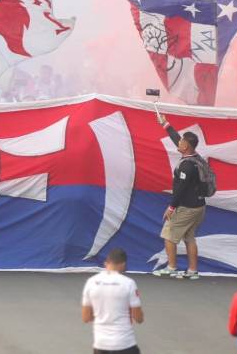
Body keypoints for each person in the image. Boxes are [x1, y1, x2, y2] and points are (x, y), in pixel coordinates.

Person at [153, 113, 210, 280]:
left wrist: (171, 208)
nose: (179, 143)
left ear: (187, 146)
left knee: (168, 235)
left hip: (187, 208)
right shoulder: (196, 158)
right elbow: (177, 139)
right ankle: (192, 271)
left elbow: (181, 190)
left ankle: (171, 268)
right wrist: (165, 124)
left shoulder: (186, 166)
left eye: (182, 142)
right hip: (199, 207)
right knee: (189, 237)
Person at [81, 248, 144, 354]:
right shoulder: (129, 283)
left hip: (101, 345)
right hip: (125, 343)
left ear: (106, 263)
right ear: (123, 264)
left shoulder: (91, 282)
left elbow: (86, 318)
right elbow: (138, 318)